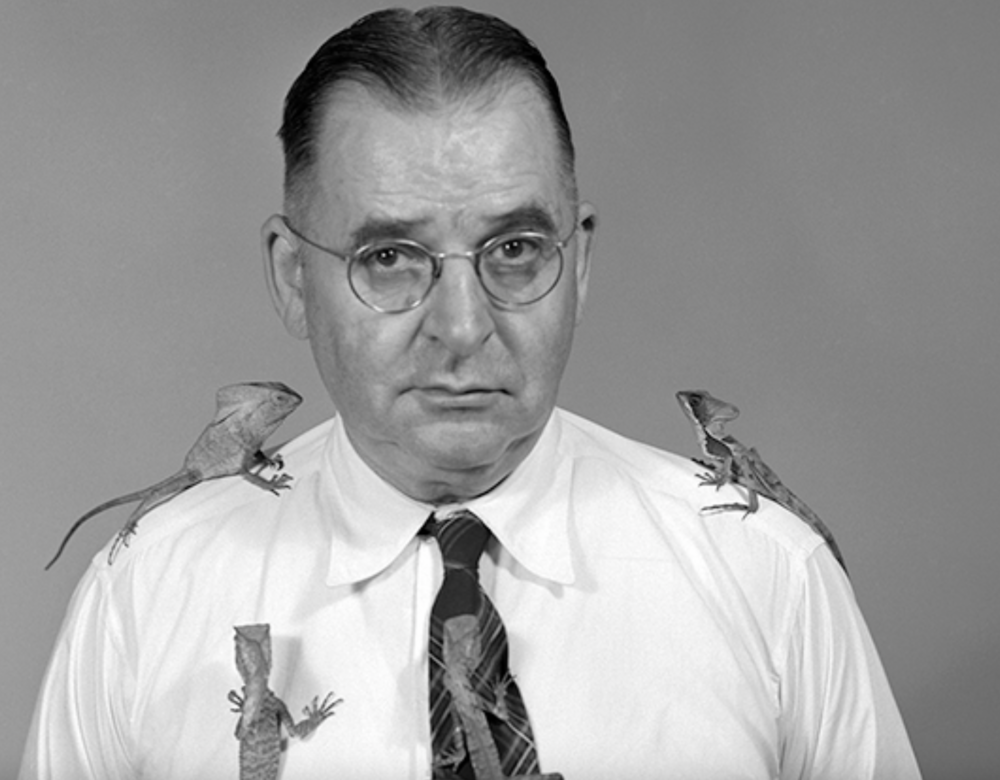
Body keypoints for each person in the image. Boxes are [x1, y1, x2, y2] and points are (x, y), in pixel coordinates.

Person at [21, 6, 922, 779]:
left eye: (517, 249)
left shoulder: (769, 577)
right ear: (294, 279)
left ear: (580, 264)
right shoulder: (146, 596)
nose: (462, 326)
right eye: (388, 257)